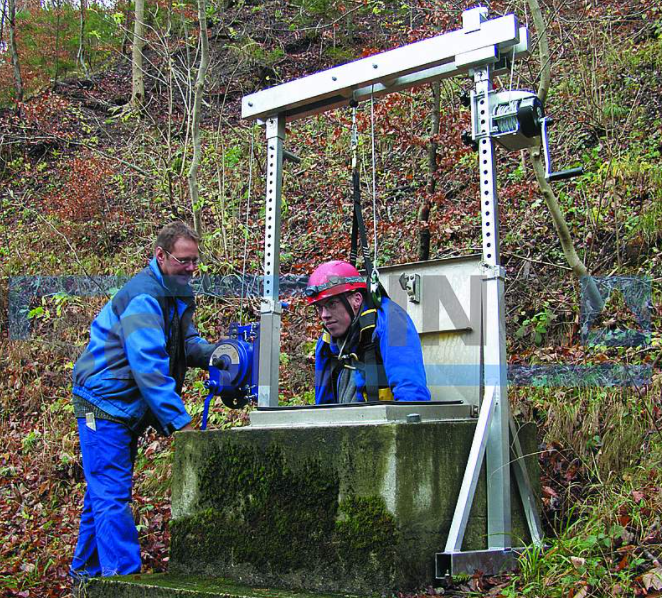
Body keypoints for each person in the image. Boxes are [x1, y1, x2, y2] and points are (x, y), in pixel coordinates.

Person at [70, 221, 216, 581]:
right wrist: (181, 421)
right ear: (161, 256)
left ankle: (84, 574)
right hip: (101, 403)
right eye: (184, 260)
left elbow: (189, 345)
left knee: (102, 493)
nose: (191, 268)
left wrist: (221, 355)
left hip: (123, 406)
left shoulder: (177, 292)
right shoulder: (144, 298)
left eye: (195, 261)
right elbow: (148, 368)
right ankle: (123, 579)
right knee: (111, 493)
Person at [306, 260, 431, 404]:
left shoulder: (392, 321)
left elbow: (412, 394)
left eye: (332, 304)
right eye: (320, 308)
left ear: (356, 299)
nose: (324, 315)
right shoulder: (327, 341)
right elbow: (322, 406)